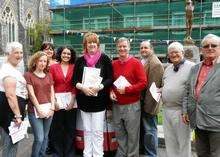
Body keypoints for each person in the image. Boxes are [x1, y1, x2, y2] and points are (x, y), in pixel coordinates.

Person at [72, 32, 113, 157]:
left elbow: (110, 78)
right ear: (85, 44)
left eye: (94, 42)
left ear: (98, 44)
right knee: (87, 130)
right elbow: (74, 80)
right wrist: (82, 87)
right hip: (84, 100)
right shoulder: (80, 60)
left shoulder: (104, 58)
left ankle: (98, 154)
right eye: (89, 42)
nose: (92, 44)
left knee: (97, 131)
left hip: (99, 101)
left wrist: (99, 87)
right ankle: (87, 154)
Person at [182, 34, 220, 157]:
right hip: (197, 119)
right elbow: (187, 90)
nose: (210, 48)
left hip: (216, 122)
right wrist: (185, 111)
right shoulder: (195, 68)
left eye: (213, 45)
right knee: (201, 153)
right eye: (206, 46)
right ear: (201, 49)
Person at [110, 37, 147, 157]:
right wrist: (110, 91)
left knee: (132, 134)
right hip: (116, 105)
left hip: (132, 104)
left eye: (124, 46)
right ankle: (121, 154)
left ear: (129, 47)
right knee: (119, 132)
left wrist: (127, 89)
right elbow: (110, 82)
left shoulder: (136, 63)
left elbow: (143, 83)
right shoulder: (113, 64)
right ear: (117, 48)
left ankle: (132, 155)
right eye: (120, 46)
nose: (122, 48)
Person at [161, 42, 195, 157]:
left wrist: (188, 111)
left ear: (182, 53)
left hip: (181, 111)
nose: (174, 54)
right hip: (166, 110)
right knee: (170, 141)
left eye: (176, 52)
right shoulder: (168, 69)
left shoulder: (192, 67)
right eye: (171, 53)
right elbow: (166, 86)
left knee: (183, 142)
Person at [24, 51, 55, 157]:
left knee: (46, 137)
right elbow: (31, 95)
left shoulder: (49, 75)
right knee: (39, 138)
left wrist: (52, 108)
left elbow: (52, 92)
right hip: (35, 111)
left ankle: (42, 155)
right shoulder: (28, 75)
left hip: (49, 109)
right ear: (35, 62)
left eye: (45, 61)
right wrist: (39, 109)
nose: (43, 63)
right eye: (40, 61)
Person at [0, 42, 28, 157]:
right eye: (16, 52)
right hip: (10, 114)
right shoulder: (8, 70)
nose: (20, 55)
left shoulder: (13, 69)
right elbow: (10, 95)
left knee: (12, 144)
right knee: (10, 145)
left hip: (13, 113)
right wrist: (17, 115)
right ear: (8, 54)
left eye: (21, 52)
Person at [49, 46, 77, 157]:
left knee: (70, 128)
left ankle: (70, 152)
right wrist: (54, 101)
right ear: (60, 54)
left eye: (69, 54)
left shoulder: (74, 67)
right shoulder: (53, 67)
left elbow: (75, 85)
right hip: (57, 101)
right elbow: (51, 85)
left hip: (71, 100)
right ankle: (57, 152)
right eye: (64, 53)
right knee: (57, 128)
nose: (66, 55)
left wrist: (72, 102)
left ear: (72, 56)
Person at [139, 41, 164, 157]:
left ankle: (151, 155)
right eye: (141, 48)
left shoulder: (155, 64)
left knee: (150, 131)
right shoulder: (143, 61)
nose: (143, 50)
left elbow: (153, 89)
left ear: (151, 49)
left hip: (149, 105)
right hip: (142, 103)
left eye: (146, 48)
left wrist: (148, 107)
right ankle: (145, 152)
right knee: (146, 131)